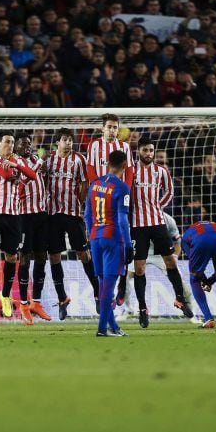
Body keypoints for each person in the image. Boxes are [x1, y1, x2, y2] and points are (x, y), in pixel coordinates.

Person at [130, 136, 192, 328]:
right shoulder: (131, 171)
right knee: (139, 268)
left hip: (158, 222)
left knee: (171, 260)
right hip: (137, 225)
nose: (149, 154)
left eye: (151, 150)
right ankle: (142, 308)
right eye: (145, 150)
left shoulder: (161, 171)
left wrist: (157, 206)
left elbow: (170, 192)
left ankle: (180, 299)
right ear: (138, 151)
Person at [0, 131, 38, 320]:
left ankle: (4, 295)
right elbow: (4, 174)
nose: (10, 145)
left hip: (13, 216)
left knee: (12, 257)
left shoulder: (16, 159)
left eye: (12, 142)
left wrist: (14, 164)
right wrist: (14, 172)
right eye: (6, 142)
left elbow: (32, 175)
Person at [44, 128, 98, 320]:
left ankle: (98, 292)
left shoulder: (79, 160)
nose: (68, 143)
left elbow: (85, 183)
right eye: (65, 140)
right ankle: (62, 299)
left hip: (73, 214)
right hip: (52, 215)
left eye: (70, 140)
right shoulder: (48, 160)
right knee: (54, 256)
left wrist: (79, 200)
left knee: (84, 253)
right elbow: (42, 181)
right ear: (57, 141)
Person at [85, 113, 134, 305]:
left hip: (119, 198)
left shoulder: (124, 147)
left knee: (122, 237)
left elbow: (129, 172)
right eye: (109, 127)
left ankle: (121, 282)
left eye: (115, 127)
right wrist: (99, 187)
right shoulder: (94, 146)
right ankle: (103, 291)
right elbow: (90, 168)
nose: (112, 130)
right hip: (100, 197)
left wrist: (126, 192)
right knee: (103, 239)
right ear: (102, 128)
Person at [85, 150, 132, 337]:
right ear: (124, 165)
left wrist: (92, 236)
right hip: (113, 238)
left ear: (108, 164)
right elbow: (122, 220)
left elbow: (87, 215)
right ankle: (102, 329)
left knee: (104, 285)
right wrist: (128, 245)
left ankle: (114, 327)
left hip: (96, 237)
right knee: (108, 287)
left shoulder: (94, 184)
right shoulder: (122, 188)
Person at [13, 132, 48, 325]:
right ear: (16, 147)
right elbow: (22, 183)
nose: (27, 147)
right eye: (23, 144)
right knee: (25, 258)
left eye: (29, 144)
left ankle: (36, 301)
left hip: (41, 214)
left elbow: (41, 177)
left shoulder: (35, 159)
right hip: (24, 216)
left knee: (42, 256)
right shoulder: (15, 162)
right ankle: (24, 304)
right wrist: (40, 163)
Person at [181, 220, 216, 329]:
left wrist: (203, 280)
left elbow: (196, 272)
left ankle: (208, 318)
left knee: (194, 279)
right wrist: (209, 281)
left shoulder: (185, 237)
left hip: (201, 240)